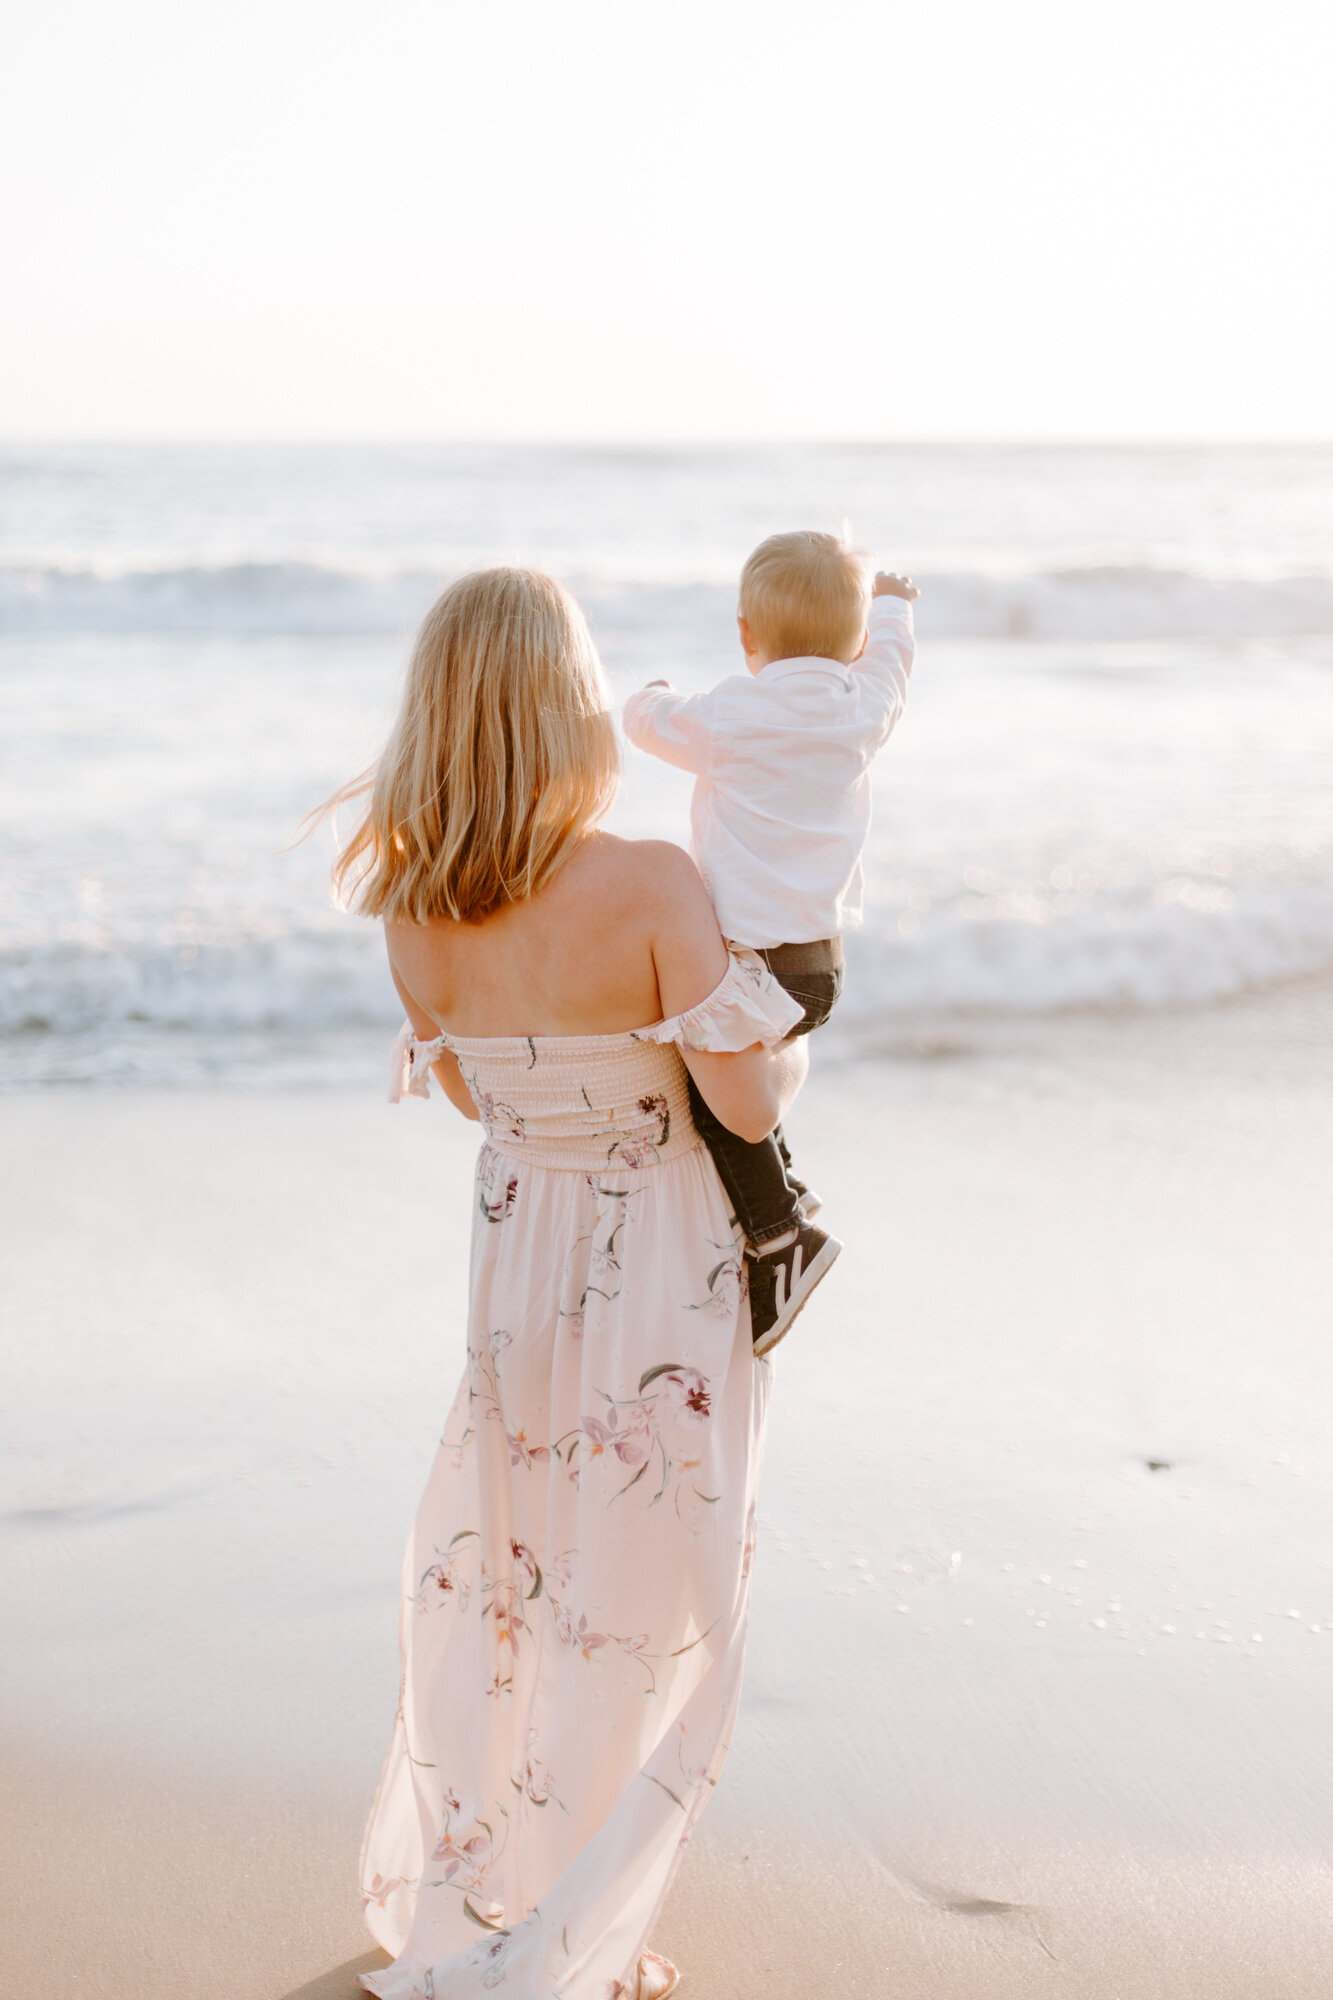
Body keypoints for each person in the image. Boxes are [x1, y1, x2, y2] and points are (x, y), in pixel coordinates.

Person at [329, 566, 808, 2000]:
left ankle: (532, 1885)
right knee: (650, 1586)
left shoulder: (412, 909)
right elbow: (747, 1109)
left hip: (520, 1260)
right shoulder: (653, 882)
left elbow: (487, 1105)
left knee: (528, 1564)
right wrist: (790, 1022)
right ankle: (582, 1931)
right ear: (569, 703)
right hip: (658, 1263)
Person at [622, 530, 919, 1353]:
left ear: (746, 636)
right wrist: (892, 602)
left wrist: (645, 695)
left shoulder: (728, 714)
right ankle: (782, 1179)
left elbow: (652, 726)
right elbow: (893, 664)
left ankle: (780, 1233)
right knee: (735, 1070)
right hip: (820, 971)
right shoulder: (864, 710)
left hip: (748, 966)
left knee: (711, 1095)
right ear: (852, 641)